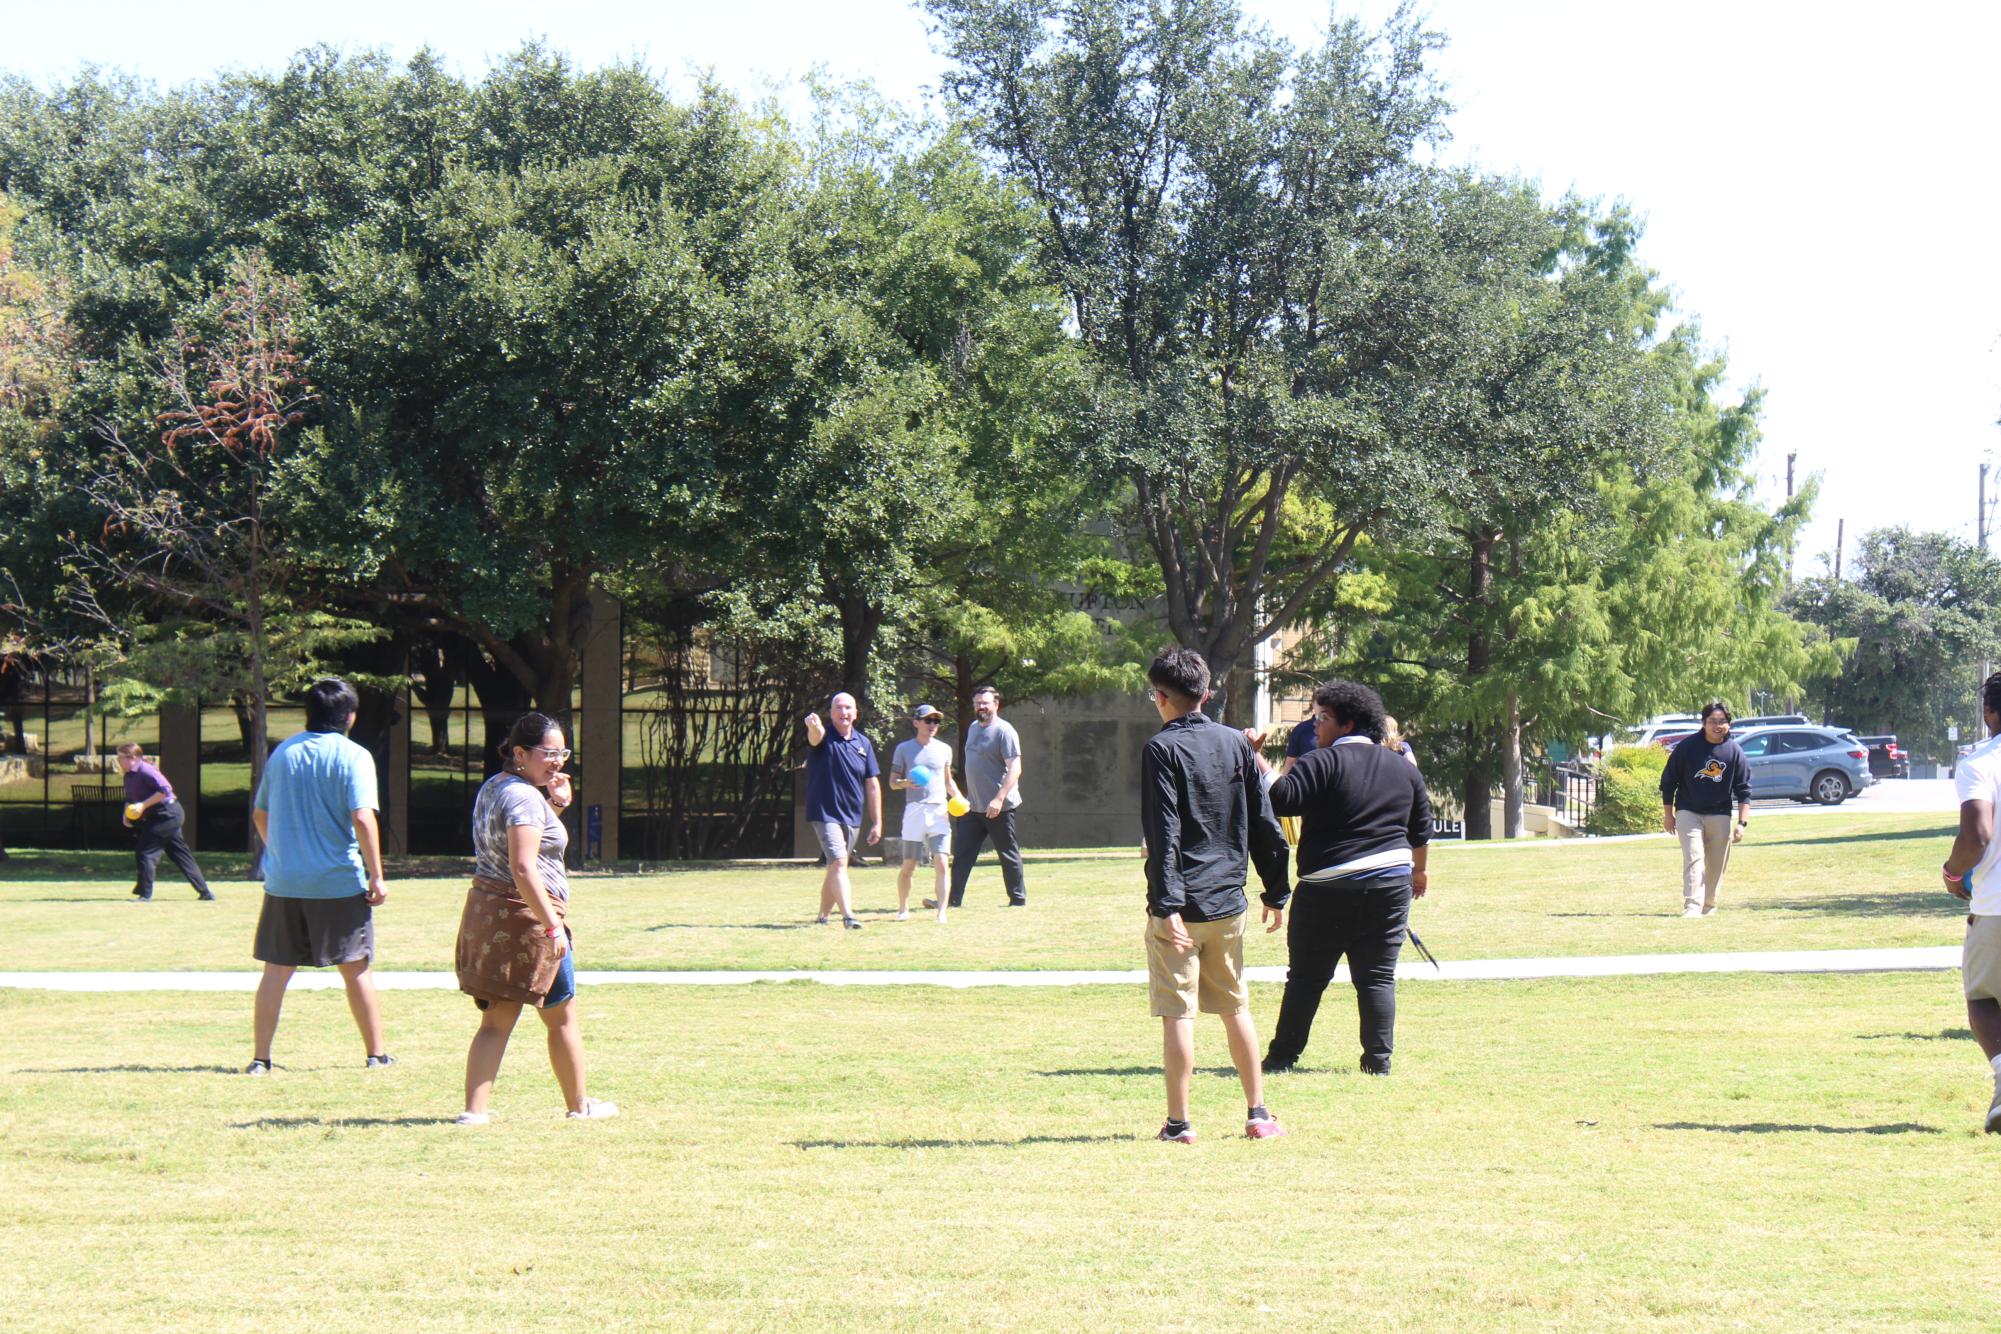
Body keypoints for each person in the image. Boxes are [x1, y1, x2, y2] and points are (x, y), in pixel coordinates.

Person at [1140, 646, 1291, 1143]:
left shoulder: (1161, 749)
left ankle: (1179, 1124)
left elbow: (1164, 832)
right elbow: (1265, 823)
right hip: (1229, 901)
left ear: (1161, 698)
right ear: (1206, 694)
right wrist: (1276, 889)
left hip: (1181, 905)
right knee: (1235, 1008)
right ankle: (1259, 1113)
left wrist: (1166, 905)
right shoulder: (1238, 745)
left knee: (1177, 1013)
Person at [1257, 679, 1432, 1077]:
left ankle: (1282, 1057)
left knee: (1305, 978)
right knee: (1377, 978)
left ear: (1348, 724)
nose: (1315, 727)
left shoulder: (1321, 762)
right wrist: (1418, 872)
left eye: (1323, 718)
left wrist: (1258, 761)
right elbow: (1420, 832)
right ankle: (1378, 1062)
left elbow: (1283, 798)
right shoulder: (1403, 769)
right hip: (1389, 884)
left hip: (1327, 887)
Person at [456, 712, 616, 1124]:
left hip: (492, 916)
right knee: (561, 1018)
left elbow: (532, 841)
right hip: (527, 920)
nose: (557, 761)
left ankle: (474, 1113)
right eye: (548, 753)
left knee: (496, 1021)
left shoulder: (497, 787)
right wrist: (552, 926)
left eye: (562, 752)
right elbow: (524, 867)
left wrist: (557, 803)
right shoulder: (524, 798)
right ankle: (579, 1107)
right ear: (520, 753)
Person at [246, 678, 391, 1075]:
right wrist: (377, 875)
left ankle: (261, 1059)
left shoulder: (282, 754)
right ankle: (376, 1055)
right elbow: (363, 817)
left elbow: (261, 814)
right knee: (356, 966)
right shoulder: (355, 756)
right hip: (338, 880)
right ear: (350, 716)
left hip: (285, 880)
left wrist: (279, 852)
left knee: (276, 970)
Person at [1941, 671, 2001, 1133]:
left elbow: (1977, 834)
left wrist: (1953, 870)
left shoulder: (1980, 762)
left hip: (1995, 904)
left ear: (1988, 713)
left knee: (1982, 997)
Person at [1659, 701, 1751, 918]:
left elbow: (1744, 790)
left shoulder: (1734, 751)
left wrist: (1742, 823)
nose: (1717, 726)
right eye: (1712, 721)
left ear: (1728, 724)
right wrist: (1668, 814)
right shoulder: (1687, 747)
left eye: (1722, 722)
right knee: (1694, 856)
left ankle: (1708, 904)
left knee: (1717, 862)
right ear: (1703, 723)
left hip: (1720, 813)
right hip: (1688, 811)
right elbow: (1668, 781)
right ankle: (1692, 905)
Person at [938, 685, 1027, 909]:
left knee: (1007, 853)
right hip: (974, 806)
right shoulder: (973, 728)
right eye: (978, 703)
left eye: (985, 703)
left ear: (996, 705)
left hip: (999, 807)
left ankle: (1017, 899)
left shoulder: (1005, 731)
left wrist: (998, 799)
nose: (981, 707)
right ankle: (953, 901)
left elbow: (1015, 769)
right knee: (962, 855)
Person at [804, 692, 881, 929]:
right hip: (825, 813)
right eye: (839, 707)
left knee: (835, 866)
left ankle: (822, 917)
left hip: (852, 816)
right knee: (838, 862)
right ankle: (849, 916)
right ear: (831, 712)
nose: (844, 712)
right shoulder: (824, 737)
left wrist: (877, 822)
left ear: (855, 713)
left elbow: (872, 784)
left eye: (848, 708)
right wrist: (813, 726)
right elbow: (815, 738)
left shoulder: (863, 743)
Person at [890, 704, 964, 922]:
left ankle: (941, 912)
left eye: (936, 721)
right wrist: (906, 783)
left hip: (939, 810)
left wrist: (959, 798)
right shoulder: (903, 749)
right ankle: (903, 908)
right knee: (909, 865)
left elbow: (948, 781)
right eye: (928, 720)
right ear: (916, 723)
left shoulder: (944, 750)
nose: (932, 725)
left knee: (941, 860)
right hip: (915, 811)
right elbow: (893, 783)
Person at [116, 741, 213, 901]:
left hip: (168, 814)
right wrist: (125, 814)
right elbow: (130, 797)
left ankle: (145, 894)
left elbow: (165, 790)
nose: (119, 761)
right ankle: (206, 893)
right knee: (180, 855)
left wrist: (143, 805)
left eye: (120, 758)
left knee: (145, 851)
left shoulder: (146, 770)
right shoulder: (128, 775)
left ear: (132, 757)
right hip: (157, 816)